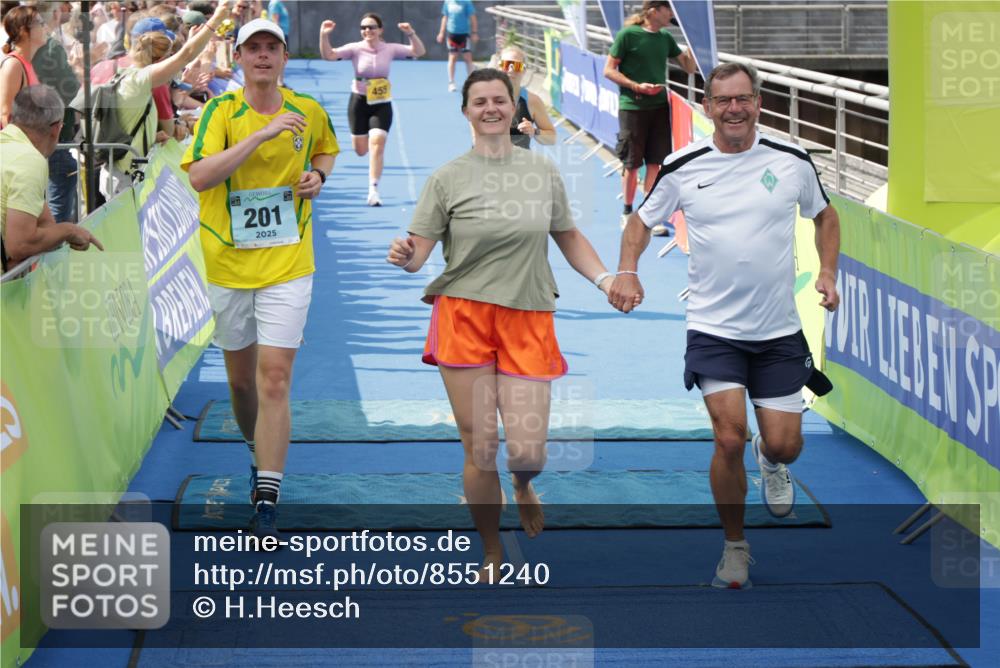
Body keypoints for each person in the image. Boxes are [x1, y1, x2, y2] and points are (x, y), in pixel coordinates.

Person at [608, 62, 841, 589]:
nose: (734, 109)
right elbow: (641, 222)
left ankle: (772, 460)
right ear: (708, 107)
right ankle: (735, 547)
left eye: (744, 99)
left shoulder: (791, 160)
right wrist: (628, 270)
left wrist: (827, 270)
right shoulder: (683, 164)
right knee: (728, 438)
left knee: (784, 445)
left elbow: (825, 215)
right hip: (713, 328)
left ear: (759, 103)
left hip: (779, 330)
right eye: (723, 101)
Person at [386, 69, 613, 581]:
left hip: (529, 314)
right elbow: (417, 254)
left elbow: (568, 236)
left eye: (500, 101)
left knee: (528, 450)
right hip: (463, 314)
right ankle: (491, 548)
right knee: (480, 444)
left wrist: (605, 280)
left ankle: (524, 485)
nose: (491, 108)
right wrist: (402, 254)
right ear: (465, 111)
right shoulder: (446, 177)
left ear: (515, 109)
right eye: (480, 101)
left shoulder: (542, 172)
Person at [181, 18, 338, 541]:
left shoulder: (308, 111)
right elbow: (199, 175)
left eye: (273, 48)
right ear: (240, 58)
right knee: (242, 383)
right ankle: (257, 452)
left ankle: (267, 495)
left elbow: (325, 149)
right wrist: (263, 134)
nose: (264, 56)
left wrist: (319, 175)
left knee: (274, 378)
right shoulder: (222, 111)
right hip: (227, 263)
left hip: (289, 262)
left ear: (285, 57)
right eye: (254, 49)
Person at [98, 2, 230, 198]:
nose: (172, 59)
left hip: (114, 172)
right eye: (169, 55)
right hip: (125, 179)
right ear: (159, 59)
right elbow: (185, 56)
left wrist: (151, 136)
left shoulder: (116, 69)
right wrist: (217, 19)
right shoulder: (143, 80)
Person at [603, 0, 695, 234]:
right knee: (632, 164)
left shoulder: (665, 38)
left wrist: (694, 42)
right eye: (668, 10)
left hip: (659, 106)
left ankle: (647, 215)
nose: (671, 14)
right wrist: (636, 86)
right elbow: (609, 70)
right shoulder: (628, 35)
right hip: (632, 107)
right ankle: (627, 212)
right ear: (654, 11)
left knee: (655, 162)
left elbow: (689, 68)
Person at [319, 12, 424, 207]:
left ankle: (373, 190)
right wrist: (324, 35)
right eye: (364, 27)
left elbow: (418, 51)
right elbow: (329, 55)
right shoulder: (355, 48)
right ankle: (365, 146)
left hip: (381, 103)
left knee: (377, 144)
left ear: (380, 30)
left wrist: (411, 33)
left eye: (371, 27)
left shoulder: (390, 49)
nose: (367, 30)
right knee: (360, 150)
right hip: (359, 101)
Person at [1, 85, 102, 272]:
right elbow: (20, 244)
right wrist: (69, 231)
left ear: (9, 119)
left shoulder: (9, 146)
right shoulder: (29, 159)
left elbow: (45, 223)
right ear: (56, 129)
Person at [31, 1, 80, 223]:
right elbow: (71, 91)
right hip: (51, 135)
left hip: (26, 132)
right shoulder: (50, 46)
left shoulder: (15, 44)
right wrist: (78, 70)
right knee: (58, 195)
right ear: (55, 12)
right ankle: (53, 252)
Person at [495, 45, 555, 149]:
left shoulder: (532, 101)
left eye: (517, 66)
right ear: (498, 67)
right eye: (506, 64)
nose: (511, 69)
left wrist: (534, 131)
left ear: (524, 71)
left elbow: (552, 138)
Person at [1, 5, 44, 128]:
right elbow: (5, 115)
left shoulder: (27, 64)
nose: (45, 27)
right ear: (24, 31)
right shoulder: (13, 65)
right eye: (40, 23)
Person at [437, 0, 476, 93]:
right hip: (452, 35)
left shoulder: (467, 2)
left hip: (464, 35)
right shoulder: (448, 2)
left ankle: (472, 82)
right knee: (453, 57)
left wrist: (474, 32)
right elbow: (445, 17)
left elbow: (473, 17)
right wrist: (441, 33)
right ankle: (451, 82)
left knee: (468, 58)